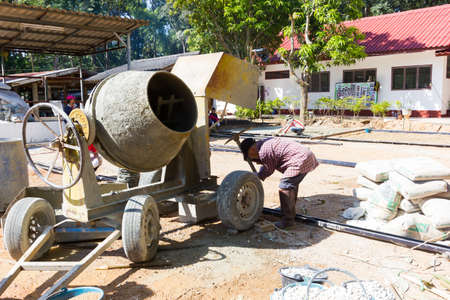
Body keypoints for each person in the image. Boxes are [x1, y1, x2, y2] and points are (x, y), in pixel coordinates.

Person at [240, 137, 319, 229]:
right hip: (305, 155)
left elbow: (268, 170)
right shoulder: (263, 143)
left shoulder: (264, 152)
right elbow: (268, 161)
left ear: (252, 149)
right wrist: (260, 163)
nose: (252, 158)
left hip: (300, 159)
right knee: (291, 184)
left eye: (250, 155)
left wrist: (258, 175)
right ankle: (289, 210)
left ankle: (287, 221)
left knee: (285, 186)